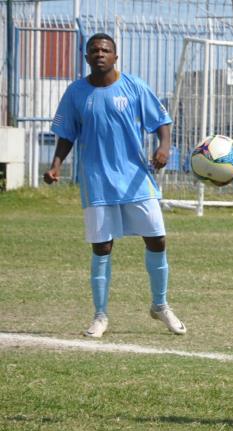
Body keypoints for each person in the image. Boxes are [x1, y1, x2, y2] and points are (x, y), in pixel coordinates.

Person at [43, 33, 185, 338]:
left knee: (157, 238)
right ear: (86, 57)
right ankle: (100, 315)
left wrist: (164, 147)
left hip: (136, 178)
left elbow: (161, 120)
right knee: (102, 247)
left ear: (115, 56)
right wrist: (56, 164)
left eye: (105, 50)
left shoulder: (134, 86)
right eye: (94, 50)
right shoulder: (76, 93)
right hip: (97, 182)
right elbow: (67, 133)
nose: (100, 54)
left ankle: (160, 306)